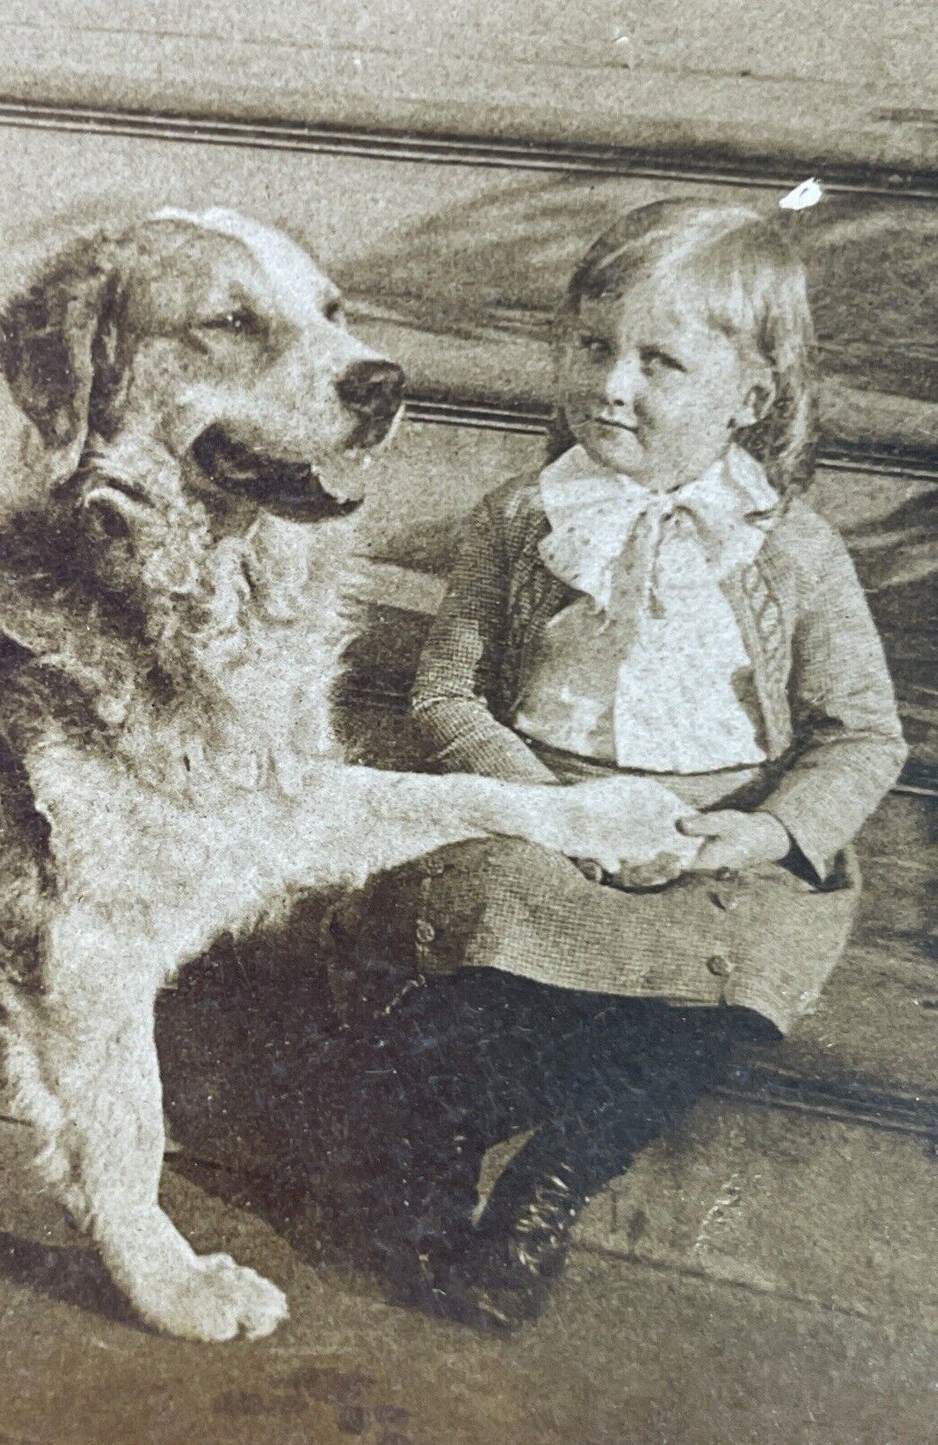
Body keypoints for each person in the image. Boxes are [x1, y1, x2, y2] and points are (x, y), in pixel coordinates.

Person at [334, 198, 907, 1331]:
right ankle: (437, 1159)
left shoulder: (787, 547)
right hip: (542, 809)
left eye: (658, 361)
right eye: (591, 346)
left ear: (748, 396)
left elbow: (861, 730)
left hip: (711, 840)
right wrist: (549, 807)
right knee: (467, 966)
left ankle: (557, 1178)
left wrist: (762, 830)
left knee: (720, 995)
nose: (610, 384)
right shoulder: (521, 519)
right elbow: (446, 689)